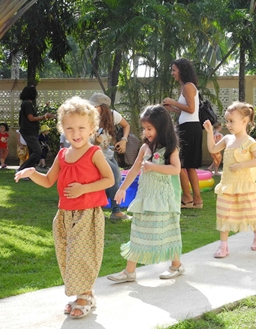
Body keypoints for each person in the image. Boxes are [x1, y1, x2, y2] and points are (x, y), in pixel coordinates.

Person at [14, 97, 114, 319]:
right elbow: (49, 181)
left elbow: (108, 180)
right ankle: (83, 293)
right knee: (68, 255)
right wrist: (32, 173)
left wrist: (83, 189)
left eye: (81, 128)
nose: (75, 133)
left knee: (82, 255)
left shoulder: (94, 153)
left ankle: (85, 296)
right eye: (69, 128)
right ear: (62, 129)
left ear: (91, 128)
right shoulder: (62, 155)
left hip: (87, 214)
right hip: (65, 214)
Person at [107, 105, 184, 283]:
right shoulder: (144, 148)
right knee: (137, 232)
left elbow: (176, 169)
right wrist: (121, 188)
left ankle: (176, 265)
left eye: (149, 128)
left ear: (161, 127)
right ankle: (129, 271)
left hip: (163, 198)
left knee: (168, 231)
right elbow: (134, 170)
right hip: (145, 197)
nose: (146, 132)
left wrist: (153, 167)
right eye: (144, 128)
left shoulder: (170, 148)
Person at [203, 102, 256, 257]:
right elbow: (212, 149)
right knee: (224, 214)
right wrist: (210, 132)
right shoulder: (227, 139)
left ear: (244, 121)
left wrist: (241, 165)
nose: (228, 124)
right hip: (227, 185)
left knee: (251, 213)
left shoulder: (250, 142)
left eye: (232, 121)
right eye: (227, 121)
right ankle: (223, 246)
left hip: (244, 185)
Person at [162, 58, 203, 209]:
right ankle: (197, 200)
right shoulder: (188, 86)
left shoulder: (187, 87)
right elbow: (188, 110)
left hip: (189, 128)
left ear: (181, 70)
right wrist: (174, 109)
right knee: (190, 166)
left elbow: (191, 109)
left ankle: (187, 198)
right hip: (191, 126)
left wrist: (172, 102)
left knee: (180, 164)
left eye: (174, 70)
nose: (172, 73)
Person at [89, 93, 132, 221]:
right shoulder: (88, 117)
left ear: (103, 108)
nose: (91, 109)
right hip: (95, 154)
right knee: (114, 177)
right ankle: (115, 211)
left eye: (95, 106)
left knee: (112, 180)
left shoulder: (113, 115)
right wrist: (96, 144)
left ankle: (100, 210)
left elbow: (126, 125)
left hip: (108, 153)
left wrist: (124, 140)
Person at [16, 85, 56, 173]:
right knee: (38, 151)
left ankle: (28, 173)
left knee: (32, 152)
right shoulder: (26, 103)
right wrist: (45, 117)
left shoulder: (27, 103)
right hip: (28, 132)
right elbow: (31, 118)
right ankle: (21, 169)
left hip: (31, 132)